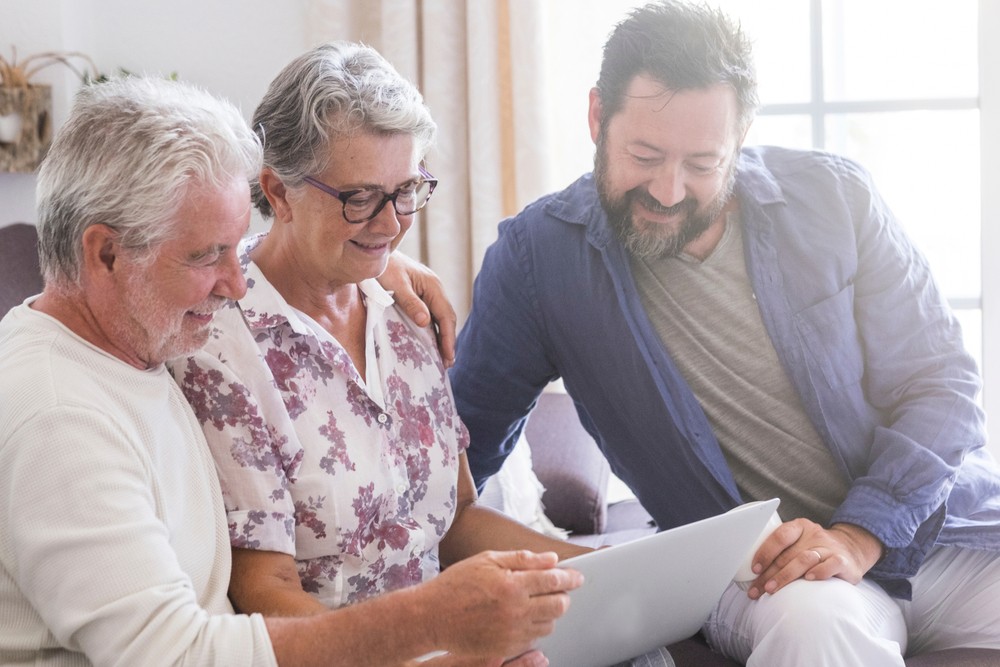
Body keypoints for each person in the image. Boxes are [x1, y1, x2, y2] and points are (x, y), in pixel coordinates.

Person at [448, 1, 1000, 665]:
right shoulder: (538, 260)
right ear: (597, 117)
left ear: (740, 137)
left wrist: (858, 535)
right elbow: (454, 453)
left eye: (703, 163)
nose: (669, 190)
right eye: (645, 156)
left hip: (937, 533)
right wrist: (376, 264)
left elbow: (942, 384)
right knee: (812, 629)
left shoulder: (834, 197)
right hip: (763, 575)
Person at [0, 75, 585, 667]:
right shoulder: (61, 417)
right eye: (207, 256)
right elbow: (172, 657)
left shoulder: (135, 345)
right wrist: (433, 632)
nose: (235, 285)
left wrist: (370, 259)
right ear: (104, 255)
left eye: (234, 247)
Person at [165, 41, 674, 667]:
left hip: (455, 641)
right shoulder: (221, 342)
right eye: (359, 197)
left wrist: (606, 573)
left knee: (642, 646)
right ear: (280, 191)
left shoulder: (405, 312)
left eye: (407, 189)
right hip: (360, 654)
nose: (390, 223)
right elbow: (264, 593)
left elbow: (454, 519)